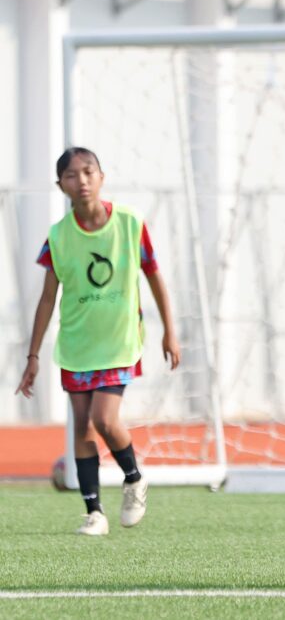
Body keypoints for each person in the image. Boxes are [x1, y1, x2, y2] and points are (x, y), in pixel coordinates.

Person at [16, 147, 181, 536]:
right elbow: (46, 298)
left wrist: (169, 330)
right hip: (77, 344)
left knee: (104, 419)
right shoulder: (58, 237)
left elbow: (154, 275)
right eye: (71, 175)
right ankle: (95, 513)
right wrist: (33, 354)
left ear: (102, 177)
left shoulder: (129, 223)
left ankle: (135, 478)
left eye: (88, 172)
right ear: (61, 186)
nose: (82, 180)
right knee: (83, 427)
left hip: (119, 340)